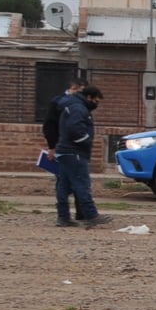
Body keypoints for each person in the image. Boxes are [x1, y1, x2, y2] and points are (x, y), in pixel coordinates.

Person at [46, 83, 104, 228]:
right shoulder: (78, 108)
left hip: (65, 150)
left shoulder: (71, 105)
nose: (96, 104)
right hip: (75, 151)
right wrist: (86, 140)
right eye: (96, 101)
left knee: (64, 185)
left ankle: (63, 216)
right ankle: (91, 215)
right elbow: (74, 128)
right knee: (81, 183)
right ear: (89, 97)